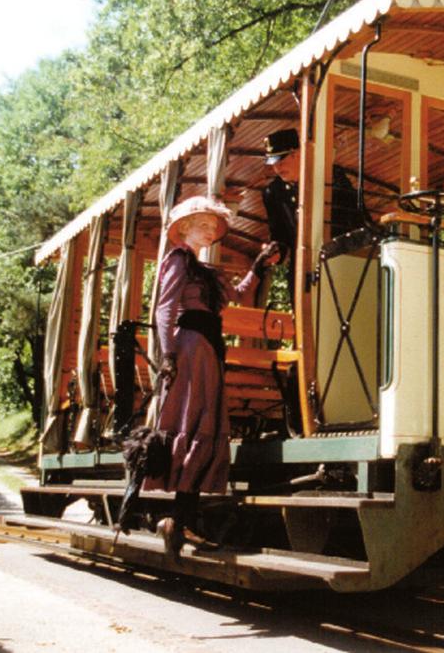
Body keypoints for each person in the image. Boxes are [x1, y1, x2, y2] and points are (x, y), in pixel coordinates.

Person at [153, 195, 277, 556]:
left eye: (212, 227)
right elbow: (165, 309)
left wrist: (258, 264)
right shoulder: (178, 260)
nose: (210, 232)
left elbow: (234, 296)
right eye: (203, 225)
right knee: (194, 424)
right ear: (185, 227)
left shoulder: (203, 270)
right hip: (191, 347)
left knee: (203, 425)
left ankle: (180, 521)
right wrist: (168, 355)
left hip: (208, 347)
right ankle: (178, 519)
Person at [261, 128, 363, 299]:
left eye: (281, 160)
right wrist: (276, 252)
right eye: (273, 163)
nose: (277, 168)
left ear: (298, 153)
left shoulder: (331, 176)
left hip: (339, 265)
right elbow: (280, 237)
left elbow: (354, 220)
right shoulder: (273, 193)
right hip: (301, 273)